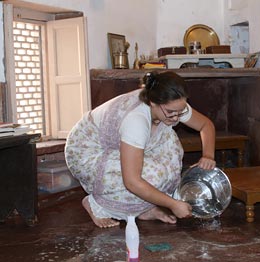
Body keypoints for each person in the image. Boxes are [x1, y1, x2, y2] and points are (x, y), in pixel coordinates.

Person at [65, 71, 216, 228]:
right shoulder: (136, 120)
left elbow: (206, 125)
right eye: (171, 112)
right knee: (151, 176)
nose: (176, 118)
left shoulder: (172, 103)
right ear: (153, 102)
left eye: (181, 111)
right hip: (87, 151)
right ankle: (96, 205)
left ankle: (142, 209)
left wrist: (208, 156)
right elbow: (132, 182)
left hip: (118, 142)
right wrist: (173, 204)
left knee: (171, 157)